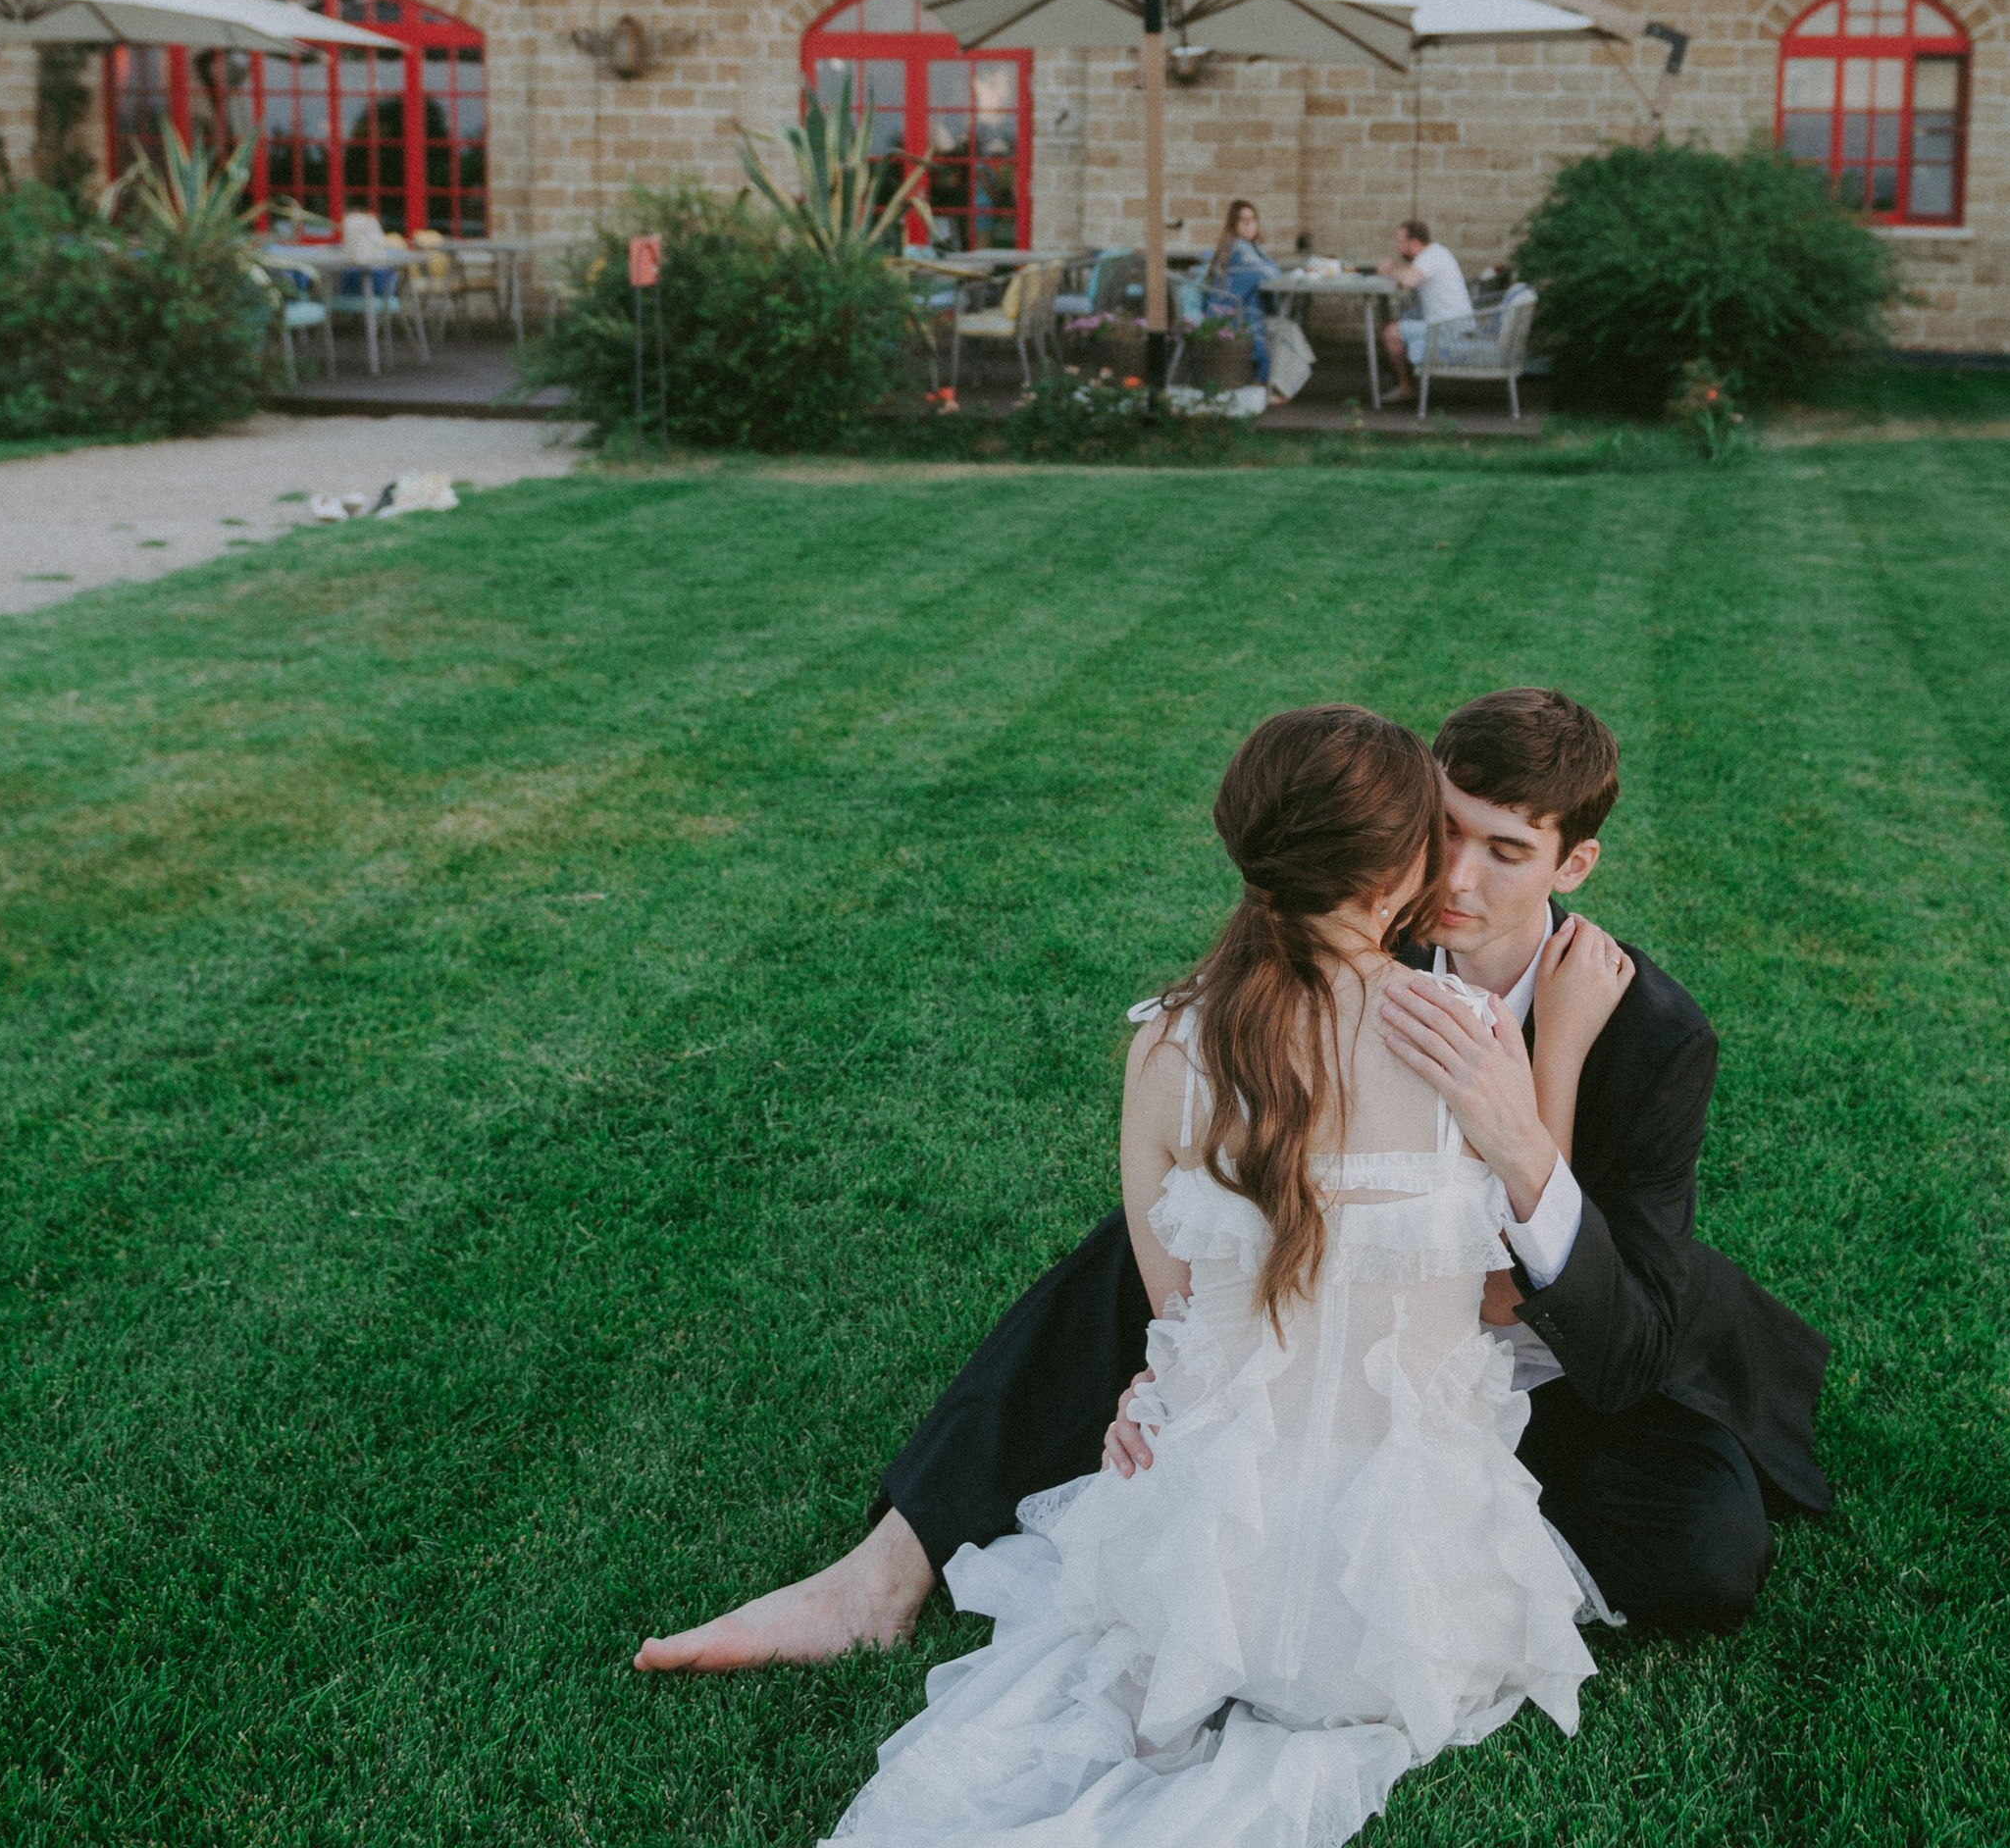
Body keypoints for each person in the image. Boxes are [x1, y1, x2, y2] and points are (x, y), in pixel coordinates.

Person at [736, 705, 1627, 1848]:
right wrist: (1558, 1050)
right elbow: (1522, 1233)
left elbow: (1175, 1311)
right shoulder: (1462, 1033)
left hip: (1201, 1564)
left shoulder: (1164, 1045)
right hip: (1395, 1591)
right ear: (1397, 882)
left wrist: (1158, 1403)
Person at [636, 686, 1829, 1679]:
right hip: (1357, 1308)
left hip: (1580, 1347)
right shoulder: (1359, 918)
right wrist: (1179, 1385)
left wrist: (1529, 1112)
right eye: (1443, 829)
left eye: (1505, 849)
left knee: (1706, 1558)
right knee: (1164, 1223)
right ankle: (884, 1567)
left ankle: (1414, 1515)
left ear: (1573, 860)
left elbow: (1618, 1343)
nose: (1453, 878)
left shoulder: (1652, 1028)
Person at [1380, 216, 1472, 404]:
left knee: (1391, 332)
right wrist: (1396, 269)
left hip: (1450, 330)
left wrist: (1389, 269)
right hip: (1451, 325)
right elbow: (1410, 275)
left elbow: (1408, 280)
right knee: (1401, 320)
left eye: (1399, 241)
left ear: (1413, 242)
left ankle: (1407, 387)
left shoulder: (1430, 256)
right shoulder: (1433, 254)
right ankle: (1406, 381)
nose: (1397, 246)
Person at [1200, 195, 1277, 378]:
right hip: (1232, 312)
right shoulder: (1238, 249)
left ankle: (1277, 386)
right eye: (1243, 220)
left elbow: (1269, 270)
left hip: (1242, 307)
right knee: (1283, 332)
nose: (1249, 224)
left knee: (1288, 331)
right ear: (1233, 224)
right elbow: (1267, 273)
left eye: (1252, 219)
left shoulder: (1252, 247)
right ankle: (1268, 384)